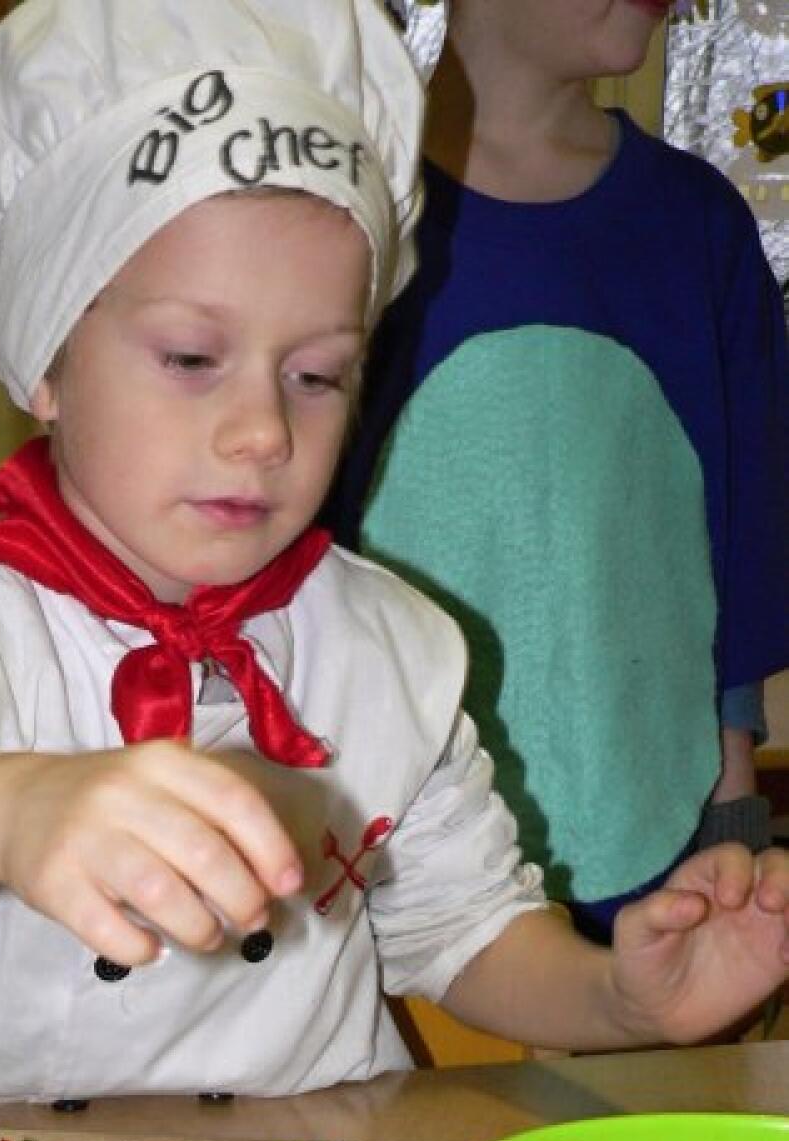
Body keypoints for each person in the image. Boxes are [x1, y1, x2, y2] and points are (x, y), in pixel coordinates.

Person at [0, 0, 789, 1122]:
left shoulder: (390, 645)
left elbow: (466, 931)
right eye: (190, 357)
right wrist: (7, 810)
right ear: (46, 362)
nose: (263, 431)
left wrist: (625, 1000)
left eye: (316, 375)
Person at [325, 0, 789, 941]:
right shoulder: (349, 213)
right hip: (390, 874)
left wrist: (730, 808)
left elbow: (739, 542)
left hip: (656, 871)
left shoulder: (696, 226)